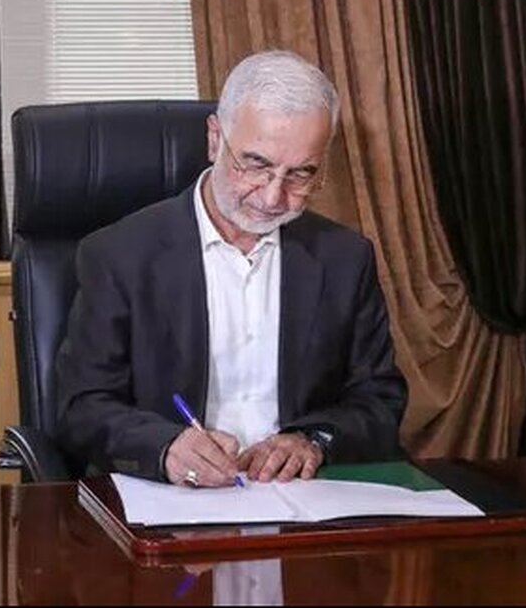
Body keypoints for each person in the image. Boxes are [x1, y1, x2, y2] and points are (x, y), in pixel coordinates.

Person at [55, 50, 407, 487]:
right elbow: (82, 407)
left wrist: (313, 441)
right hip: (173, 497)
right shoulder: (119, 255)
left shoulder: (345, 259)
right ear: (214, 139)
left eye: (300, 175)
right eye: (256, 165)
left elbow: (379, 399)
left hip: (302, 497)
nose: (273, 198)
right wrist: (165, 447)